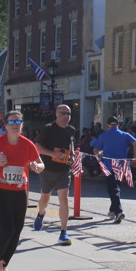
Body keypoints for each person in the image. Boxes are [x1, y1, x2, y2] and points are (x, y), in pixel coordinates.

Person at [0, 110, 44, 271]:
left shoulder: (27, 144)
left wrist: (37, 167)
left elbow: (40, 164)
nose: (15, 125)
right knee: (8, 228)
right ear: (6, 125)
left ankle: (3, 265)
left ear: (22, 125)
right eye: (11, 122)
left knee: (17, 231)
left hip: (19, 192)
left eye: (18, 122)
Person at [33, 104, 78, 245]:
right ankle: (41, 213)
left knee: (64, 200)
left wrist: (72, 156)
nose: (66, 116)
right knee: (45, 198)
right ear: (57, 114)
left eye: (69, 113)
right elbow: (37, 147)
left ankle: (63, 232)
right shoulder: (48, 128)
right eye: (64, 113)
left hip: (63, 170)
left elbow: (71, 144)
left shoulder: (71, 130)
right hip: (47, 169)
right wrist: (52, 153)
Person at [91, 116, 136, 222]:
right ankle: (112, 210)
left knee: (112, 188)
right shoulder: (125, 135)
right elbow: (135, 143)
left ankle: (118, 212)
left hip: (109, 165)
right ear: (118, 125)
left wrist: (100, 156)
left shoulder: (104, 135)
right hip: (121, 165)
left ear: (108, 125)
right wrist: (135, 158)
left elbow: (95, 150)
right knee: (115, 187)